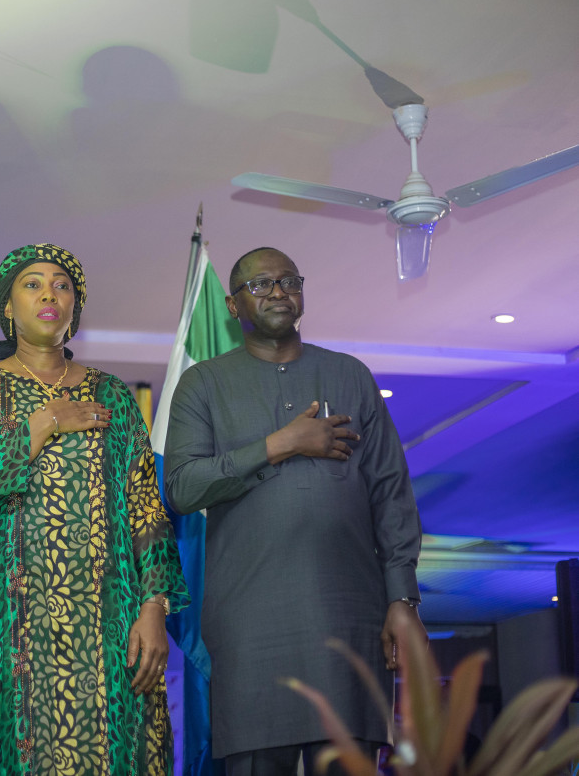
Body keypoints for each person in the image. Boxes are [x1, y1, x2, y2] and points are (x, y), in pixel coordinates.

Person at [162, 247, 426, 775]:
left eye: (289, 281)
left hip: (349, 619)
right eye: (260, 285)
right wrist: (279, 444)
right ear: (233, 306)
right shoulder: (204, 384)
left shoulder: (350, 375)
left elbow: (391, 493)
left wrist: (402, 598)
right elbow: (182, 488)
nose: (278, 292)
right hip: (249, 627)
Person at [0, 243, 189, 775]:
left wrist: (153, 608)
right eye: (32, 284)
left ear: (75, 306)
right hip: (4, 623)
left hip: (108, 622)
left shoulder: (113, 395)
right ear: (8, 307)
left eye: (61, 285)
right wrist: (44, 423)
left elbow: (147, 509)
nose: (49, 294)